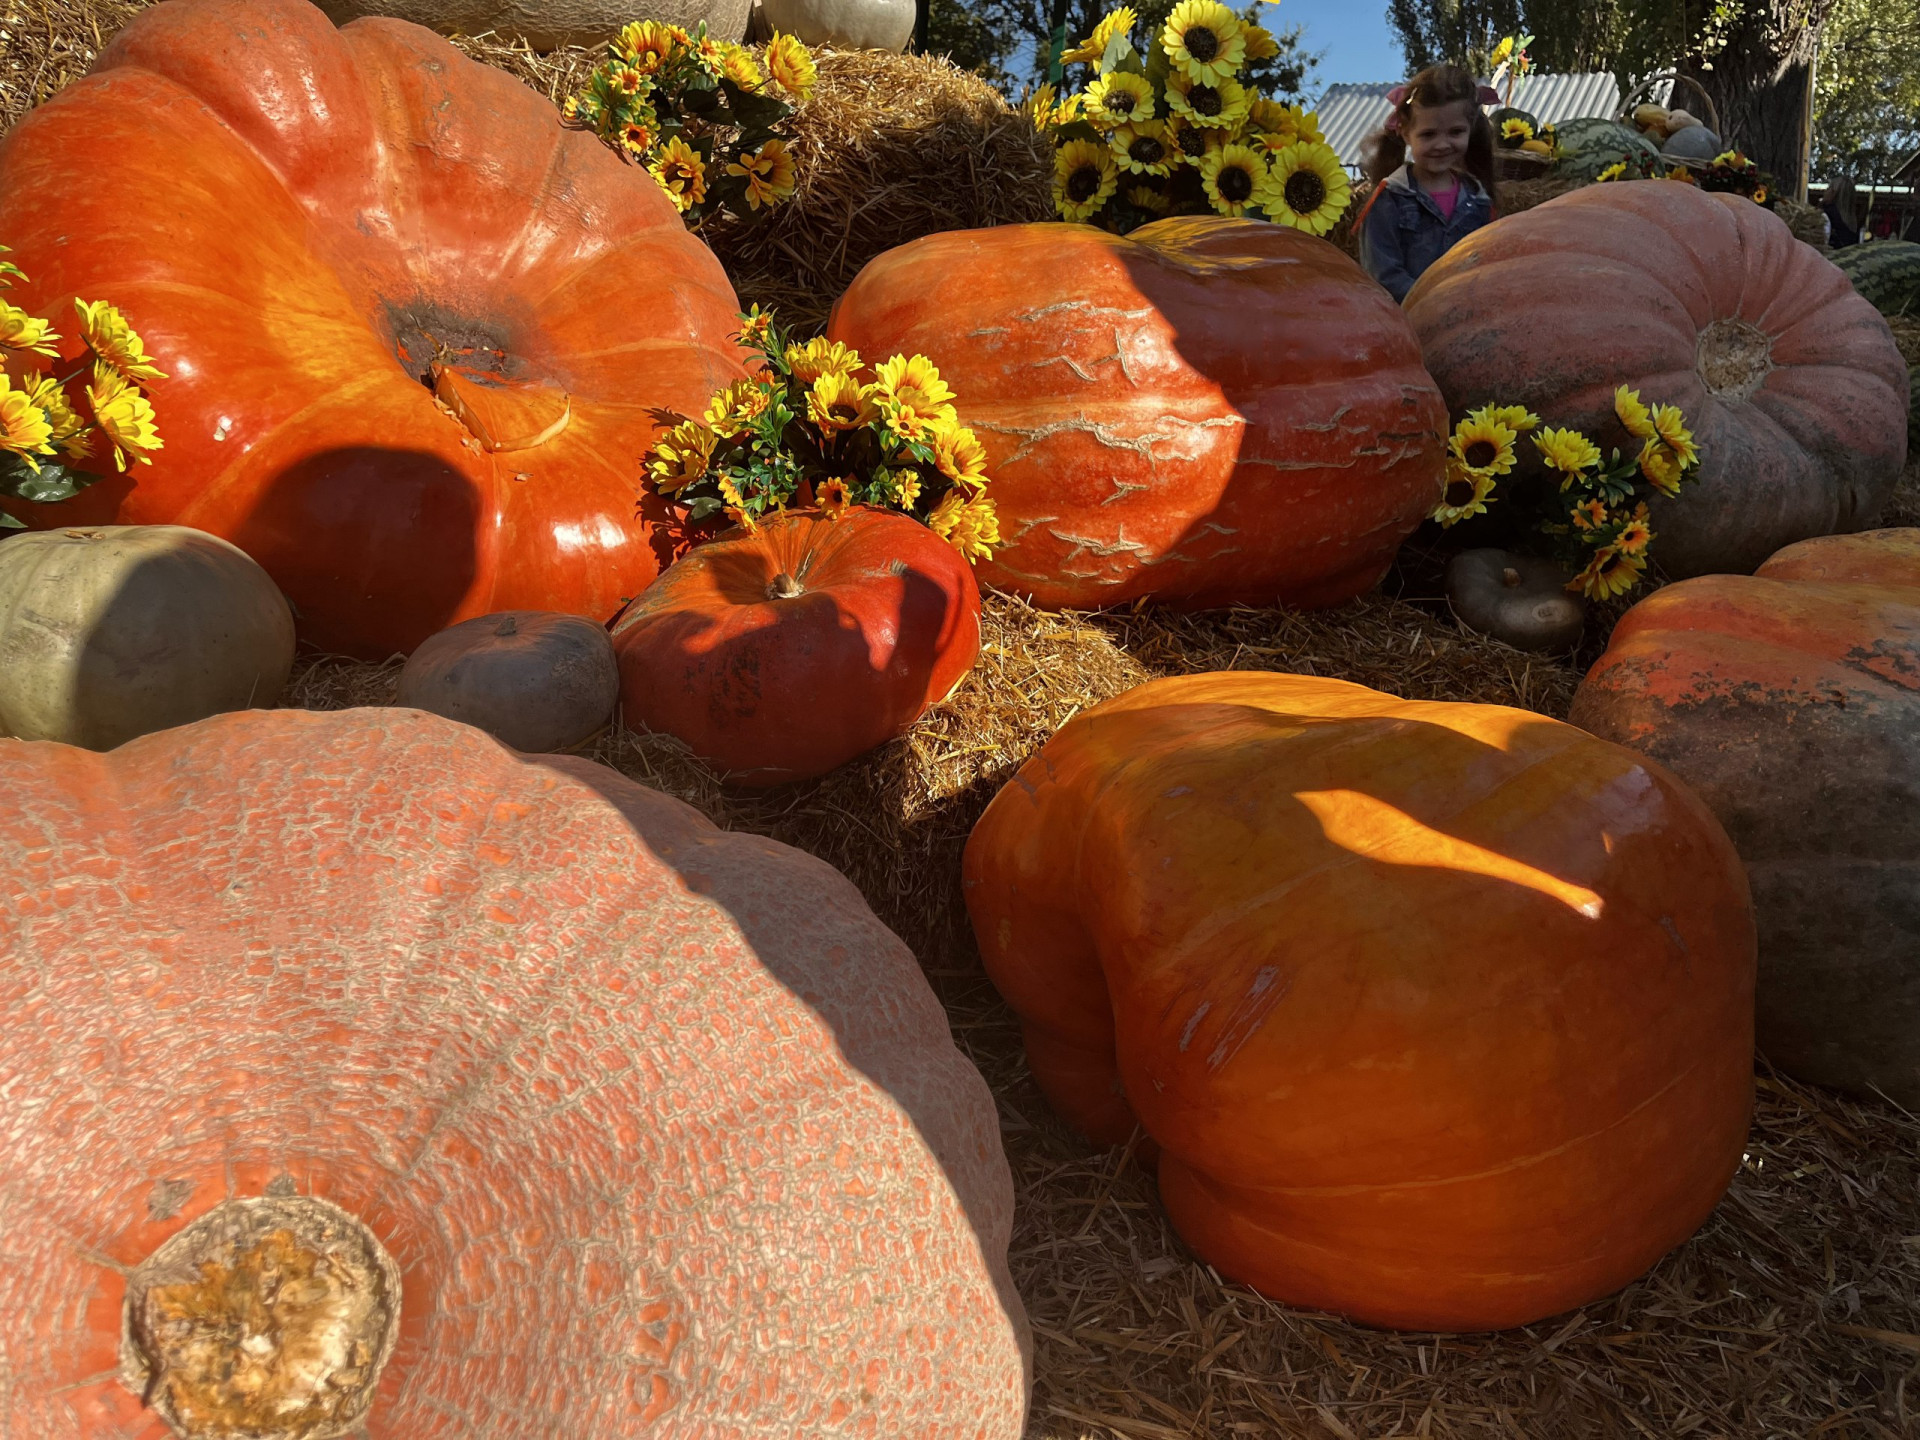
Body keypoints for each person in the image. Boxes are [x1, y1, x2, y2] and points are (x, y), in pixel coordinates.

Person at [1356, 66, 1500, 302]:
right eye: (1428, 135)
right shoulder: (1390, 199)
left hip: (1468, 315)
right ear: (1405, 132)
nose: (1442, 144)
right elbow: (1382, 276)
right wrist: (1435, 301)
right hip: (1407, 317)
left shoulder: (1479, 200)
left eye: (1455, 132)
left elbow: (1490, 266)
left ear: (1470, 129)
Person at [1822, 175, 1863, 249]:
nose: (1825, 191)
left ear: (1834, 193)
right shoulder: (1855, 221)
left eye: (1828, 188)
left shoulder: (1826, 215)